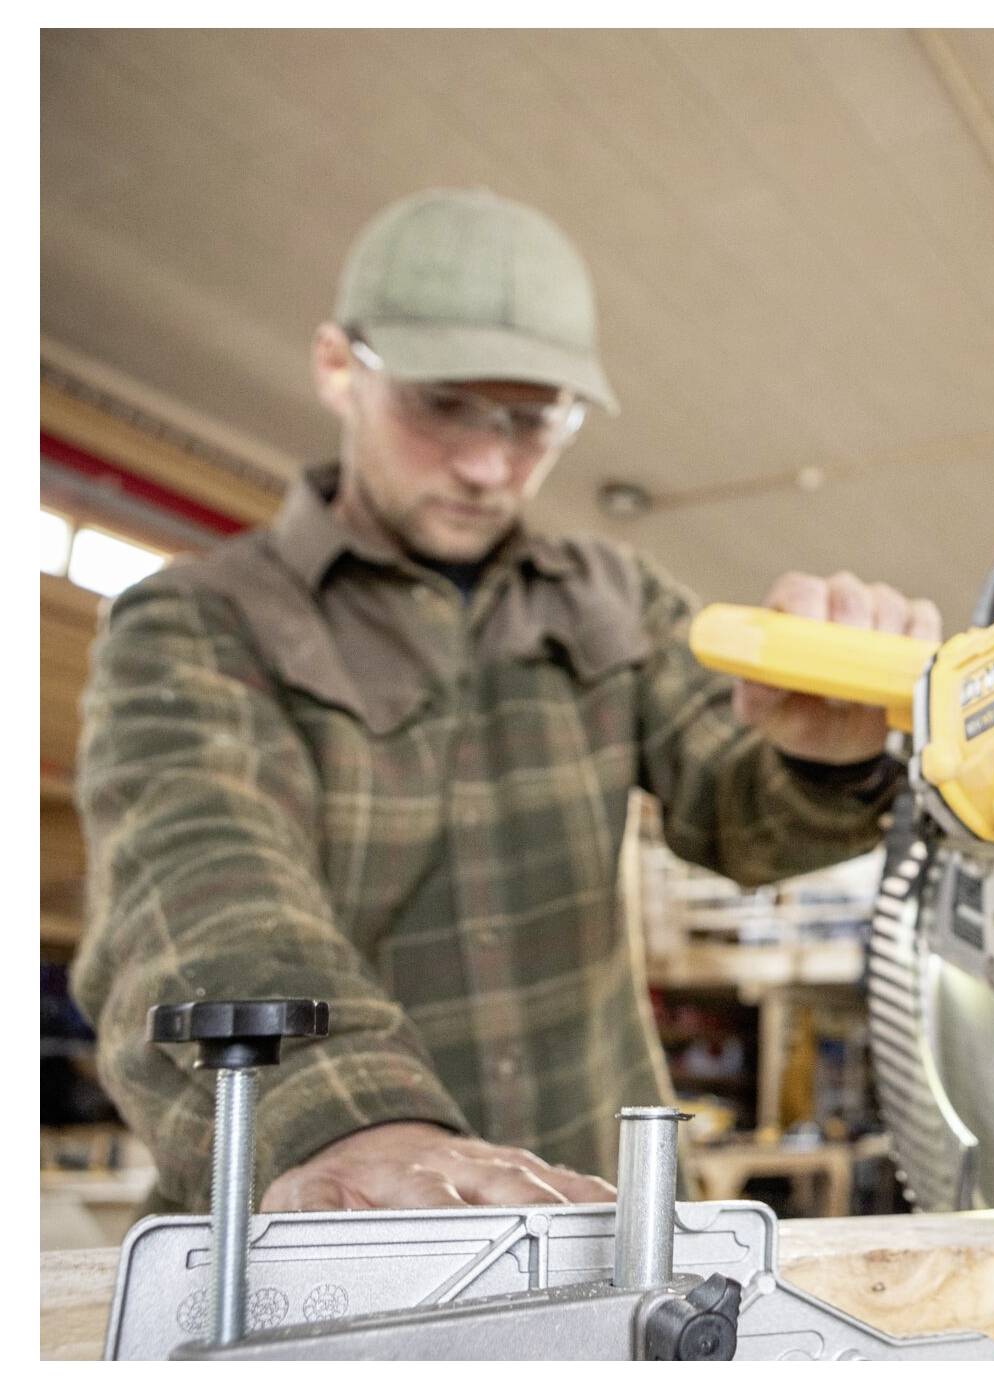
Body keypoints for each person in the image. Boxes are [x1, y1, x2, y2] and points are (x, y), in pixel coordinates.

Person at [71, 188, 941, 1215]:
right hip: (322, 1225)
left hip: (600, 1222)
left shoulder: (615, 597)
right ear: (337, 366)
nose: (487, 465)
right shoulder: (198, 621)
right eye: (441, 405)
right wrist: (348, 1122)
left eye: (532, 421)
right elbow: (201, 878)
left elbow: (735, 807)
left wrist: (822, 755)